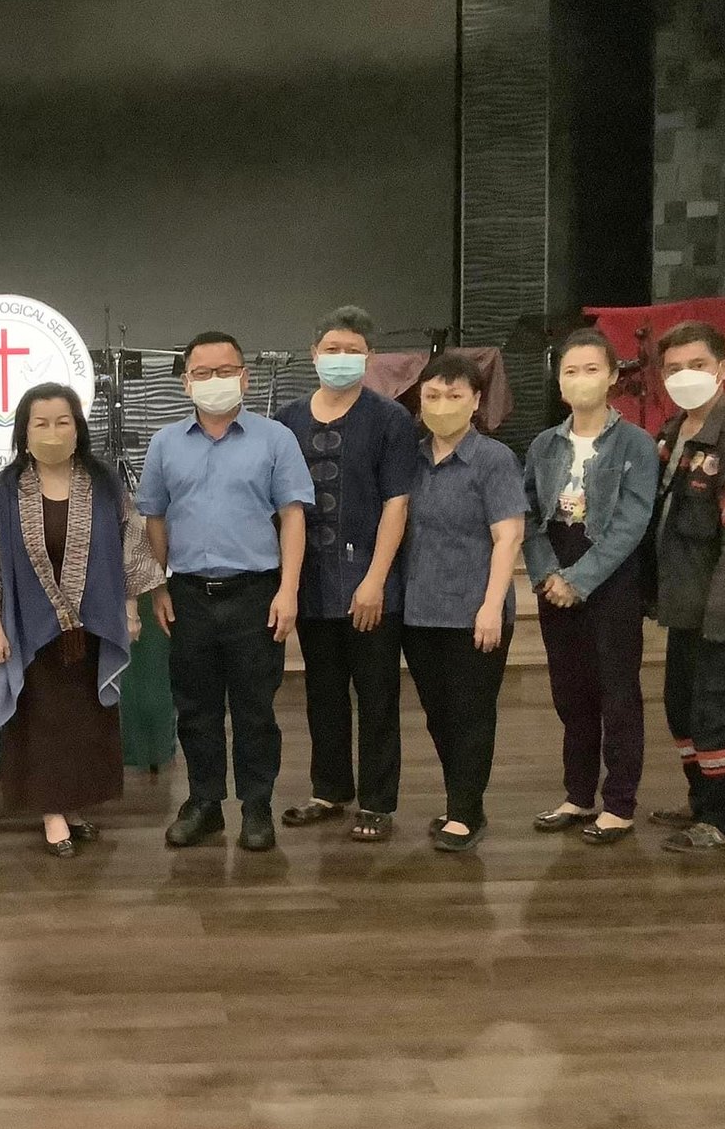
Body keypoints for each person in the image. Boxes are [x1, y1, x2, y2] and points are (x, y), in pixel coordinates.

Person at [0, 383, 167, 856]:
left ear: (78, 428)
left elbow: (131, 546)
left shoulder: (104, 484)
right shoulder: (4, 490)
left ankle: (74, 805)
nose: (53, 432)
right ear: (24, 431)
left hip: (93, 626)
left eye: (63, 422)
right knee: (42, 721)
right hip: (31, 627)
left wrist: (129, 609)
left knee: (86, 722)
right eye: (41, 423)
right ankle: (51, 812)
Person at [136, 331, 314, 851]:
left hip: (256, 594)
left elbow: (293, 516)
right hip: (188, 594)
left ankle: (257, 807)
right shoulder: (166, 443)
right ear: (186, 382)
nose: (214, 381)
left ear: (244, 377)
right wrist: (158, 586)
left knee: (256, 710)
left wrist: (288, 590)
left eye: (224, 371)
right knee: (195, 709)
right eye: (202, 373)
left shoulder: (275, 439)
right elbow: (154, 517)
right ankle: (204, 804)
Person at [275, 306, 416, 842]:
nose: (340, 358)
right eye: (331, 349)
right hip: (310, 582)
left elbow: (397, 503)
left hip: (370, 580)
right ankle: (329, 789)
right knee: (323, 692)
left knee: (377, 695)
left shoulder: (390, 419)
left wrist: (376, 578)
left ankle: (377, 802)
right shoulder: (287, 420)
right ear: (313, 354)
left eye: (352, 350)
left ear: (369, 356)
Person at [523, 330, 658, 844]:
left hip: (611, 576)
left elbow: (631, 522)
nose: (581, 380)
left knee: (617, 692)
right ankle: (578, 795)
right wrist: (546, 575)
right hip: (554, 571)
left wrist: (579, 580)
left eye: (592, 369)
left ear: (613, 377)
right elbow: (530, 516)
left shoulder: (635, 443)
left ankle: (619, 804)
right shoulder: (544, 444)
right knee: (570, 691)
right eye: (570, 371)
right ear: (559, 383)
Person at [646, 320, 725, 853]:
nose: (684, 376)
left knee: (723, 713)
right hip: (684, 603)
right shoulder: (674, 433)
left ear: (723, 369)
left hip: (724, 611)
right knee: (684, 708)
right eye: (673, 368)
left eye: (696, 365)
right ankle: (702, 801)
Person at [401, 351, 526, 852]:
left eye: (454, 395)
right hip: (419, 608)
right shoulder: (410, 458)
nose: (442, 404)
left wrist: (492, 606)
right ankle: (461, 799)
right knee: (438, 714)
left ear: (476, 401)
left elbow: (508, 536)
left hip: (475, 611)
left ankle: (466, 812)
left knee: (471, 713)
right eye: (432, 395)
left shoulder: (493, 459)